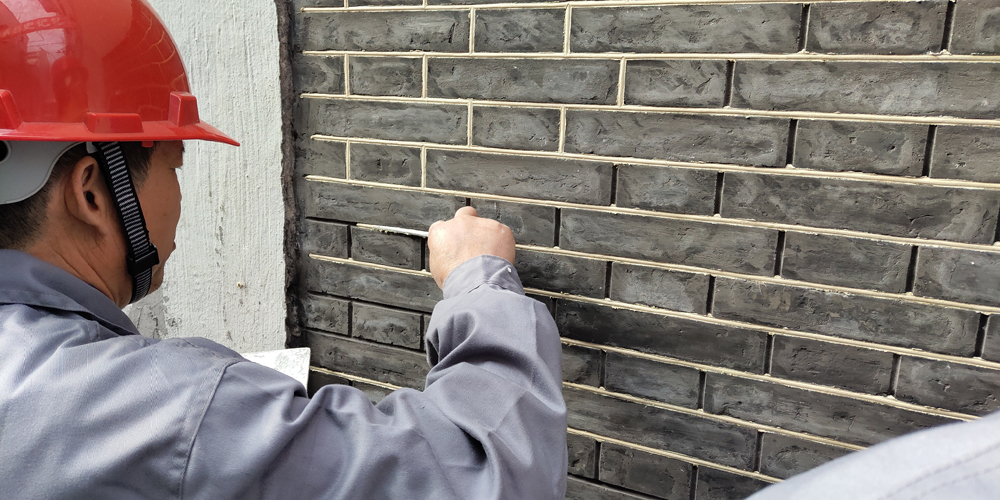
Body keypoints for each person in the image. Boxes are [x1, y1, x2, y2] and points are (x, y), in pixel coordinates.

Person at [0, 1, 568, 499]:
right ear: (93, 193)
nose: (179, 194)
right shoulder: (169, 415)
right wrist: (478, 281)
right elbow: (493, 477)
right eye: (175, 165)